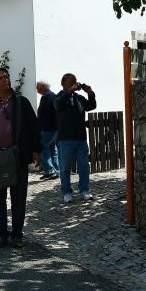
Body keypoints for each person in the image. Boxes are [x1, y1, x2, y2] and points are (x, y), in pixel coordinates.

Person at [0, 67, 42, 248]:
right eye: (0, 78)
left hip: (18, 156)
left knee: (18, 198)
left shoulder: (21, 102)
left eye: (6, 76)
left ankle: (17, 235)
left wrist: (36, 150)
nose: (5, 79)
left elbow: (33, 127)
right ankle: (0, 234)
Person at [56, 73, 97, 203]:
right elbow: (58, 105)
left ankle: (84, 190)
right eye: (71, 82)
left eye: (75, 81)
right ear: (63, 83)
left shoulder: (79, 98)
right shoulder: (59, 97)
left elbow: (91, 106)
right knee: (65, 168)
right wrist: (69, 92)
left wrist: (90, 93)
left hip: (81, 138)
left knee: (84, 166)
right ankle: (67, 192)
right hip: (65, 139)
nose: (74, 84)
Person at [35, 80, 60, 180]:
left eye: (37, 87)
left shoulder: (46, 97)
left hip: (47, 127)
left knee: (43, 147)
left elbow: (43, 113)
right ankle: (56, 170)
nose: (36, 89)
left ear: (41, 87)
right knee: (52, 149)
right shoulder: (53, 95)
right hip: (54, 127)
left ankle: (49, 171)